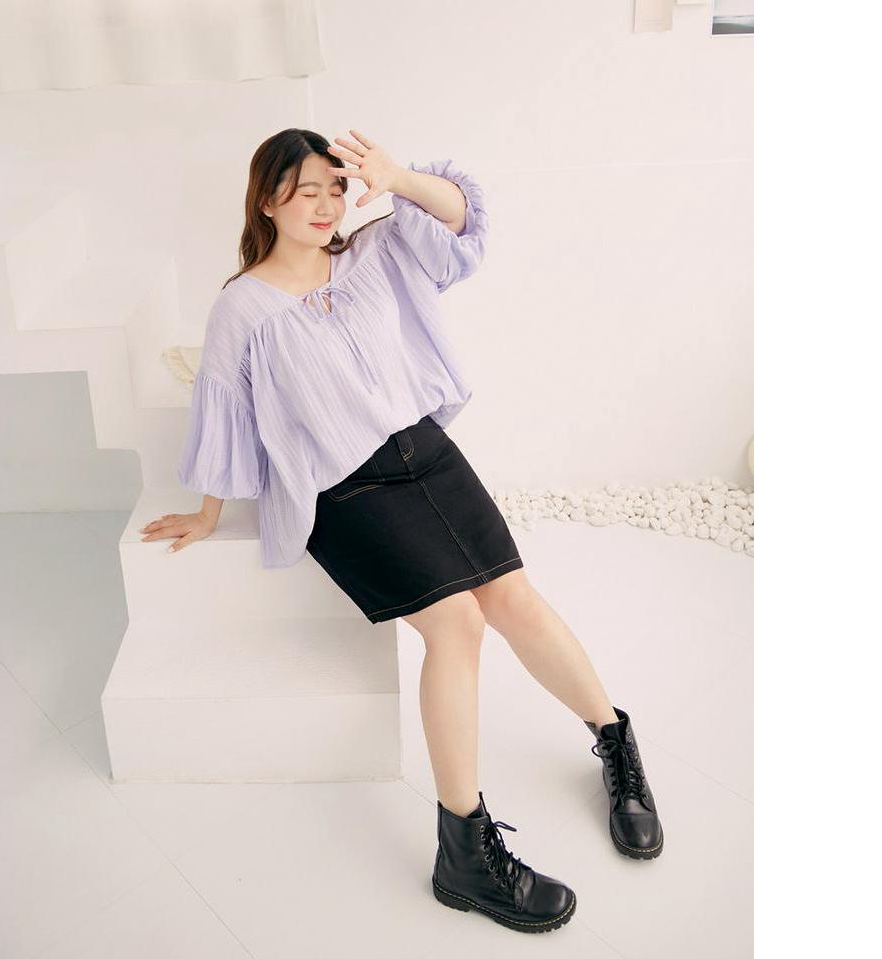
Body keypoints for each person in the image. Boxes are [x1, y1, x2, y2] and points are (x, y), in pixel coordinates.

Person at [140, 128, 663, 934]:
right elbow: (225, 411)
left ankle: (617, 746)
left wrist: (399, 177)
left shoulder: (376, 250)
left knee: (513, 597)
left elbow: (462, 219)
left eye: (335, 187)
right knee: (456, 624)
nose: (325, 205)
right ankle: (465, 851)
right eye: (304, 191)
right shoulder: (241, 305)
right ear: (267, 200)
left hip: (427, 453)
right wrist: (208, 512)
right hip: (343, 489)